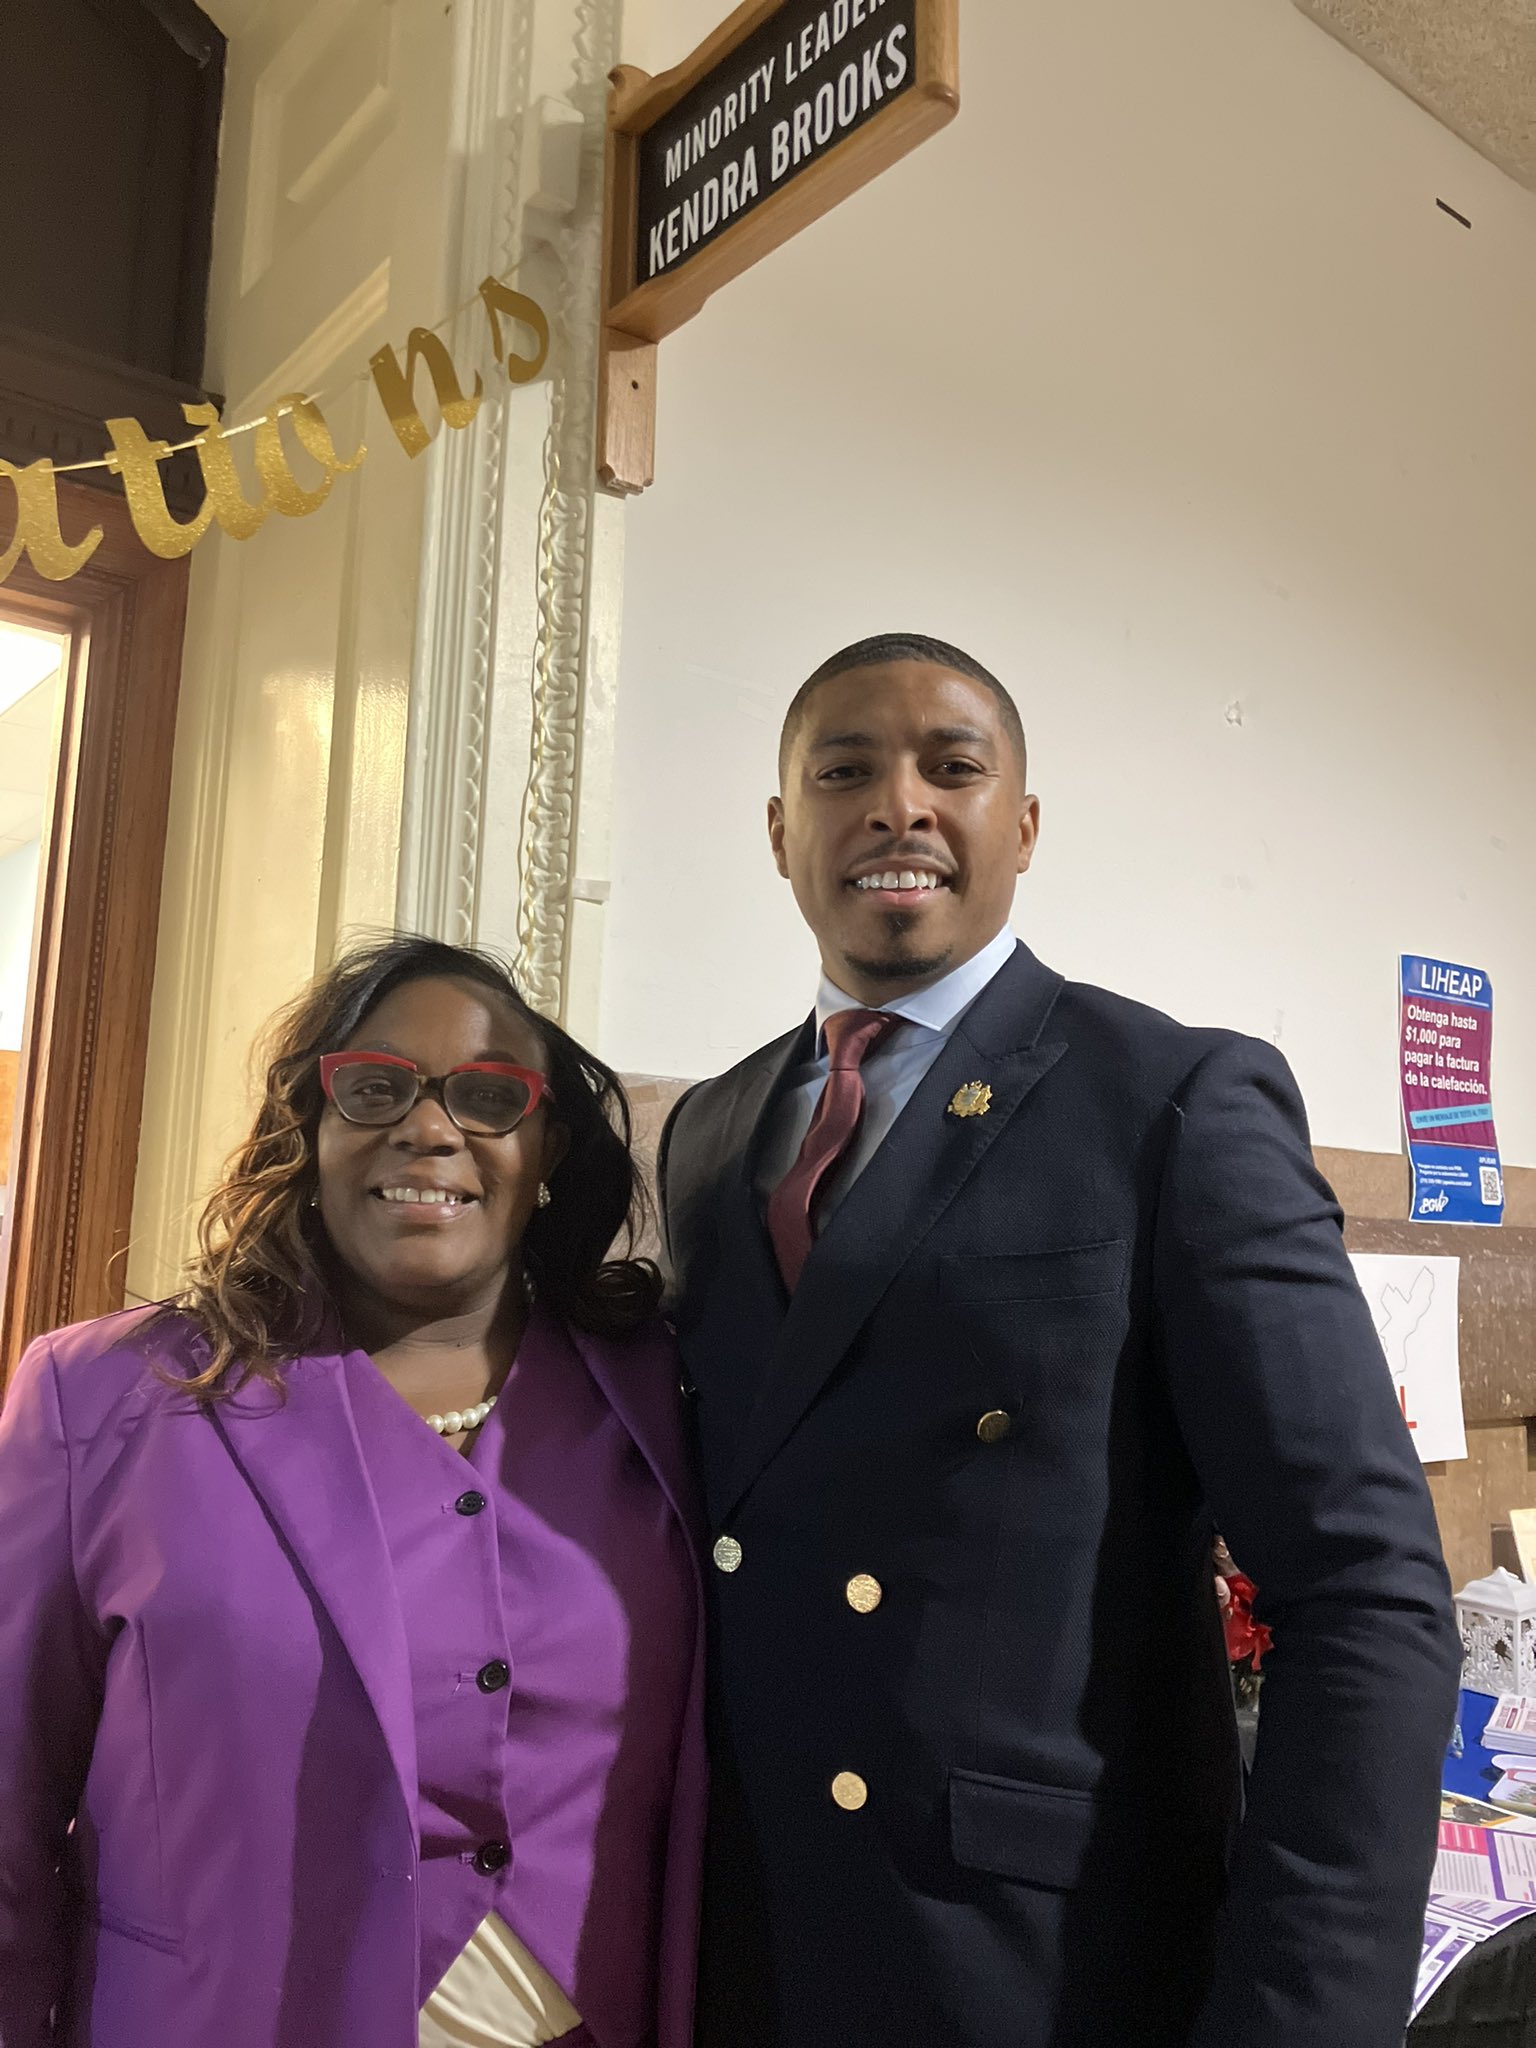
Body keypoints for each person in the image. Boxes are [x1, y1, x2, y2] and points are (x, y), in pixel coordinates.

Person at [656, 633, 1462, 2048]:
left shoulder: (1169, 1099)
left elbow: (1366, 1591)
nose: (898, 806)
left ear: (1021, 827)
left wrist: (1305, 2018)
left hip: (1046, 1969)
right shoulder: (709, 1133)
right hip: (752, 1944)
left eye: (951, 769)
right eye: (844, 772)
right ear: (781, 833)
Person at [0, 936, 706, 2048]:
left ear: (548, 1145)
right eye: (374, 1087)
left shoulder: (666, 1401)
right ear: (312, 1129)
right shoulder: (100, 1402)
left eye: (487, 1095)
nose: (430, 1128)